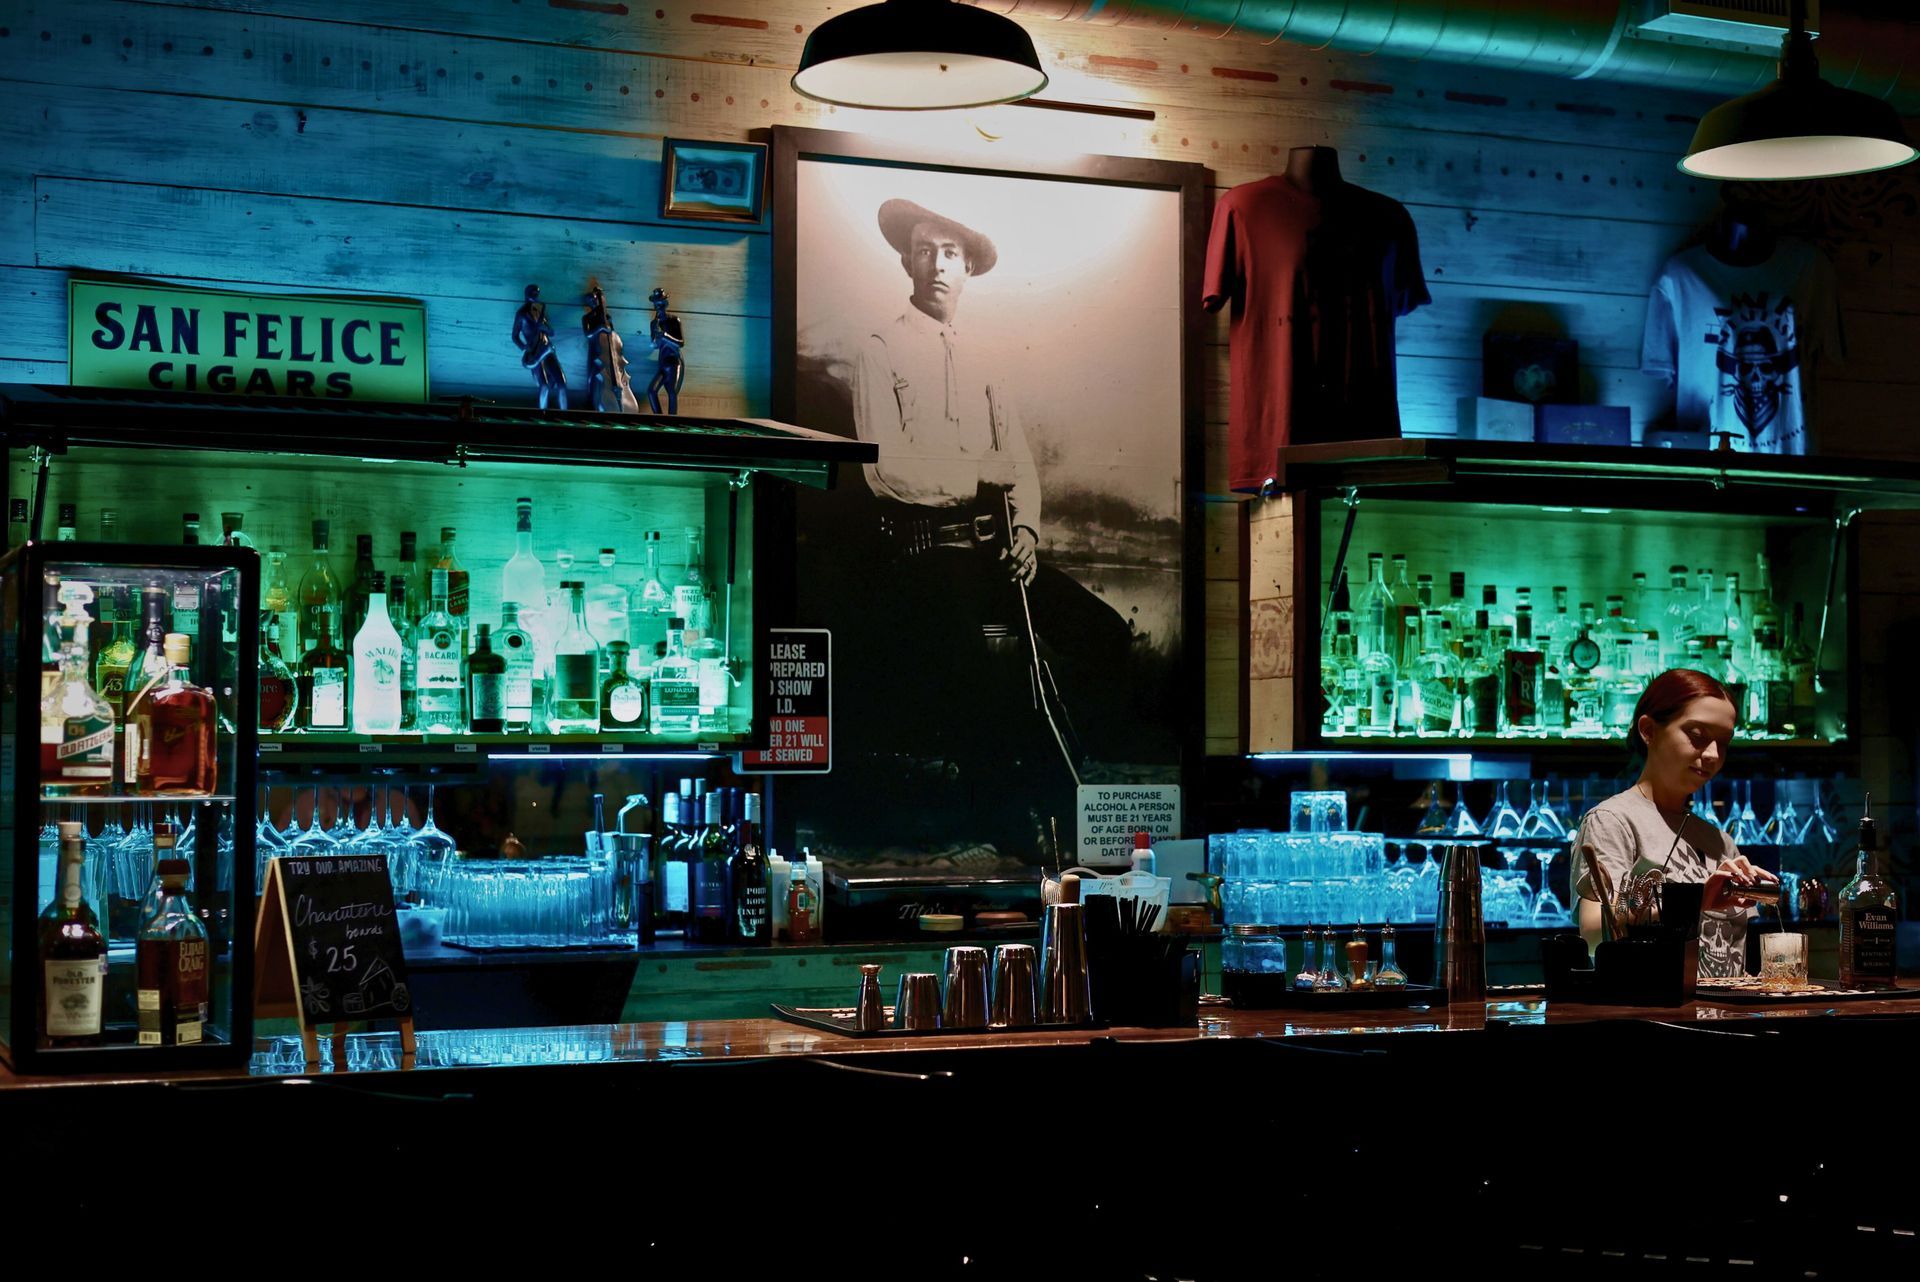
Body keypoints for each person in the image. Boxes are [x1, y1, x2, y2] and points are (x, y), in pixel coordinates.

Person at [847, 198, 1133, 780]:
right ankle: (996, 811)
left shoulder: (986, 361)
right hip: (920, 556)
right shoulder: (879, 349)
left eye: (950, 253)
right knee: (974, 678)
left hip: (993, 556)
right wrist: (977, 476)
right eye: (924, 250)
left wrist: (1025, 530)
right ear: (906, 262)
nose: (937, 264)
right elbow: (884, 469)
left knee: (1104, 635)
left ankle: (1068, 775)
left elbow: (1019, 463)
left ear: (968, 268)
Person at [1570, 668, 1780, 978]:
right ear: (1649, 731)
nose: (1712, 754)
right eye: (1697, 736)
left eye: (1724, 743)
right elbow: (1593, 933)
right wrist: (1694, 903)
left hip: (1725, 1016)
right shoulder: (1613, 821)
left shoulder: (1719, 841)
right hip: (1656, 1018)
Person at [511, 284, 568, 410]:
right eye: (533, 293)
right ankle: (543, 415)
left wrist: (545, 327)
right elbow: (514, 336)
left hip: (547, 349)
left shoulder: (538, 312)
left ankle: (565, 415)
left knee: (562, 384)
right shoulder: (521, 314)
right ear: (527, 294)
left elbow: (551, 332)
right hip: (535, 352)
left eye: (537, 293)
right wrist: (524, 347)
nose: (536, 295)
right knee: (544, 386)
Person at [646, 287, 686, 414]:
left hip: (674, 362)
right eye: (656, 304)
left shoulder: (674, 320)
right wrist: (655, 339)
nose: (658, 307)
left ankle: (671, 421)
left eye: (661, 304)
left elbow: (680, 343)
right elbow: (654, 346)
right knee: (652, 391)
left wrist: (665, 336)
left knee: (671, 392)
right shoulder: (654, 324)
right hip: (663, 363)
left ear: (665, 304)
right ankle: (659, 418)